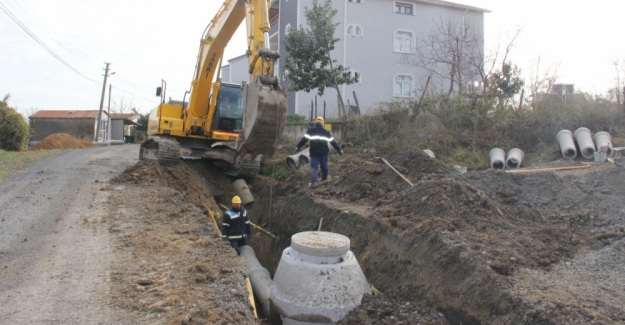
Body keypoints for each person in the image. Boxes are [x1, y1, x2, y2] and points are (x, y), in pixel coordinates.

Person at [296, 116, 343, 188]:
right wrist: (339, 150)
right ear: (323, 123)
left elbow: (304, 139)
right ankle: (324, 181)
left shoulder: (310, 130)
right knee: (325, 167)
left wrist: (298, 147)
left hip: (314, 153)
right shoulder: (326, 131)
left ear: (315, 123)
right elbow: (333, 142)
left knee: (314, 168)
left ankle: (314, 182)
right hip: (324, 153)